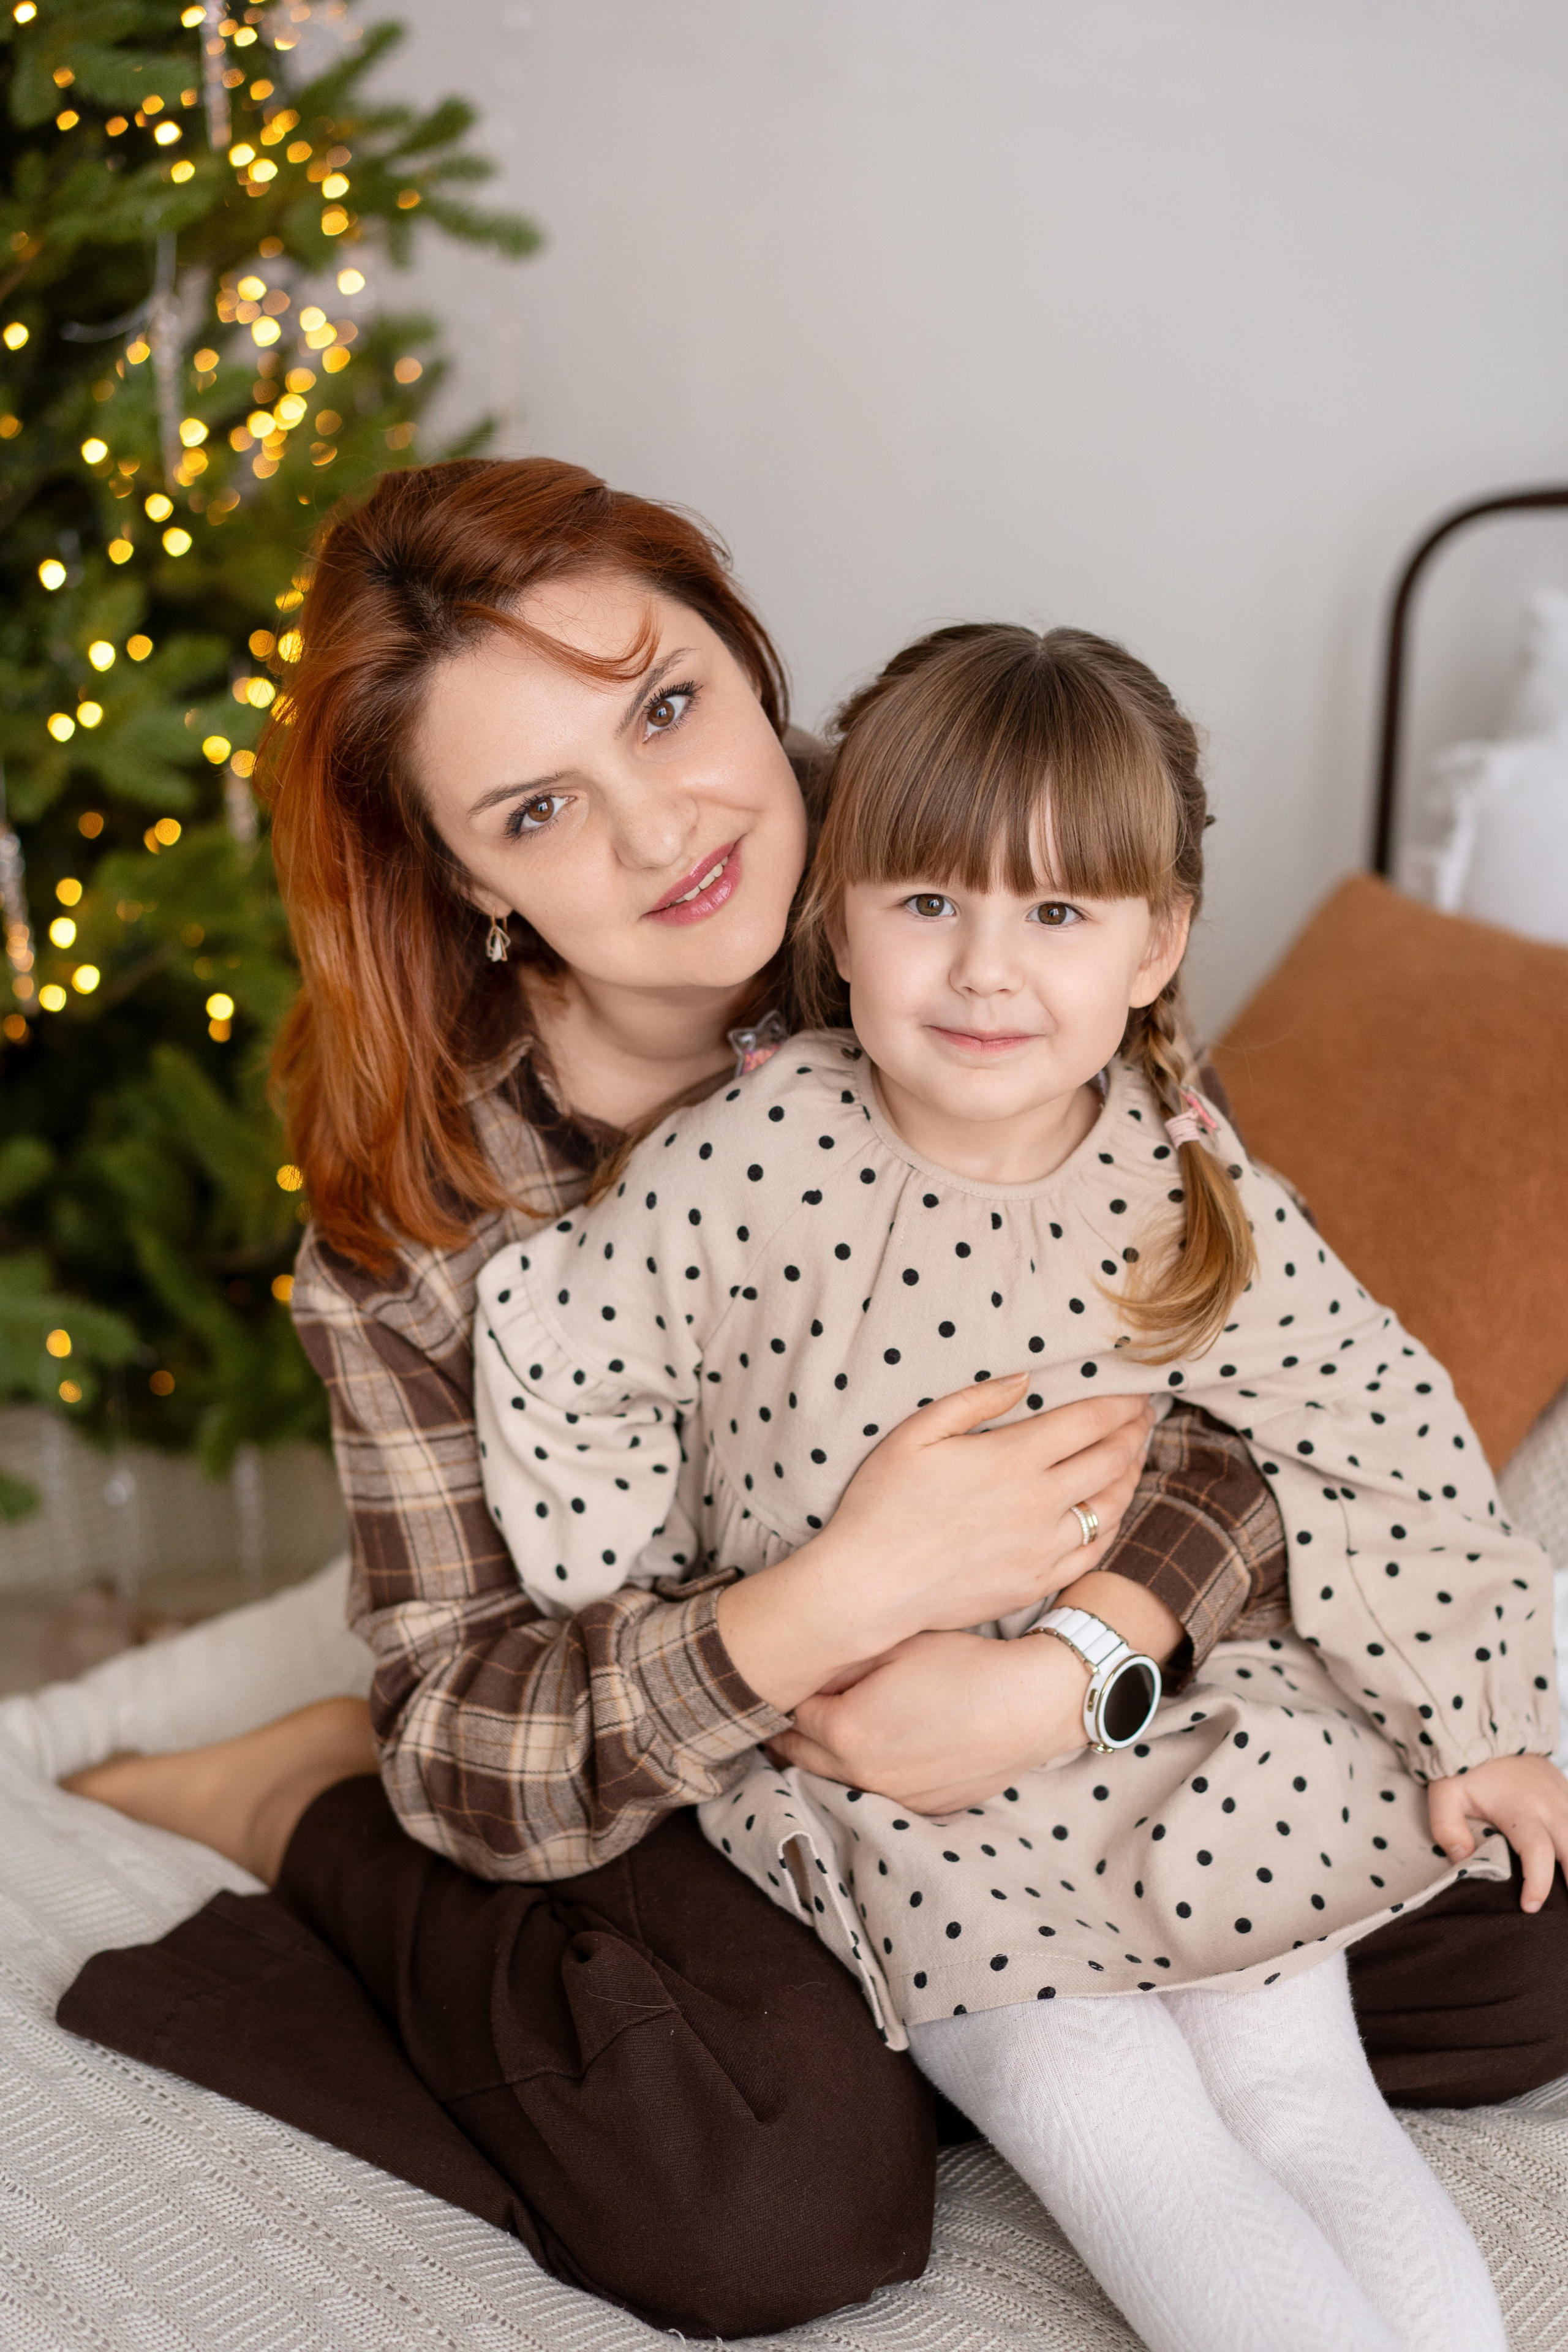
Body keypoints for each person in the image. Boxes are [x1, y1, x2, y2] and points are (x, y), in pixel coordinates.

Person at [54, 460, 1568, 2338]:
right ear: (469, 876)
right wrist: (835, 1605)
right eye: (541, 808)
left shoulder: (980, 880)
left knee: (1514, 1933)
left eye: (668, 706)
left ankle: (990, 1995)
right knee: (766, 2205)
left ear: (750, 663)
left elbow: (1242, 1377)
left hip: (1062, 1702)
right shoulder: (424, 1220)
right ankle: (299, 1799)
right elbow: (465, 1721)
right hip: (700, 1755)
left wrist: (1075, 1664)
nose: (660, 826)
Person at [470, 620, 1568, 2352]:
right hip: (907, 1801)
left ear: (1157, 945)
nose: (986, 971)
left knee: (1300, 2092)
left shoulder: (1181, 1175)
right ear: (839, 918)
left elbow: (1381, 1428)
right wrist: (624, 1569)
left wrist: (1482, 1711)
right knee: (1108, 2102)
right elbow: (564, 1347)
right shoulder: (748, 1154)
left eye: (1056, 914)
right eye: (928, 903)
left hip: (1172, 1738)